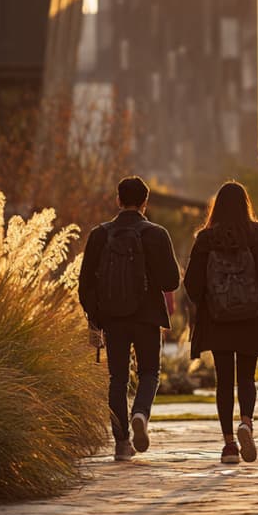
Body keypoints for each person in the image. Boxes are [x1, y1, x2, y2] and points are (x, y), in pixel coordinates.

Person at [183, 181, 258, 464]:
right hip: (253, 317)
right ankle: (246, 422)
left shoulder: (206, 239)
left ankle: (229, 445)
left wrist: (206, 300)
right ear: (246, 204)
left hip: (218, 319)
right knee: (247, 377)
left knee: (224, 381)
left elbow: (192, 285)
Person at [78, 176, 181, 462]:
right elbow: (171, 281)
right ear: (145, 203)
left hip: (113, 318)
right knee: (149, 373)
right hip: (147, 316)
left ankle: (122, 443)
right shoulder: (157, 234)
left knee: (117, 379)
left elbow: (85, 284)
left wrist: (95, 318)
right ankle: (140, 414)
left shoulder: (100, 234)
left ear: (118, 200)